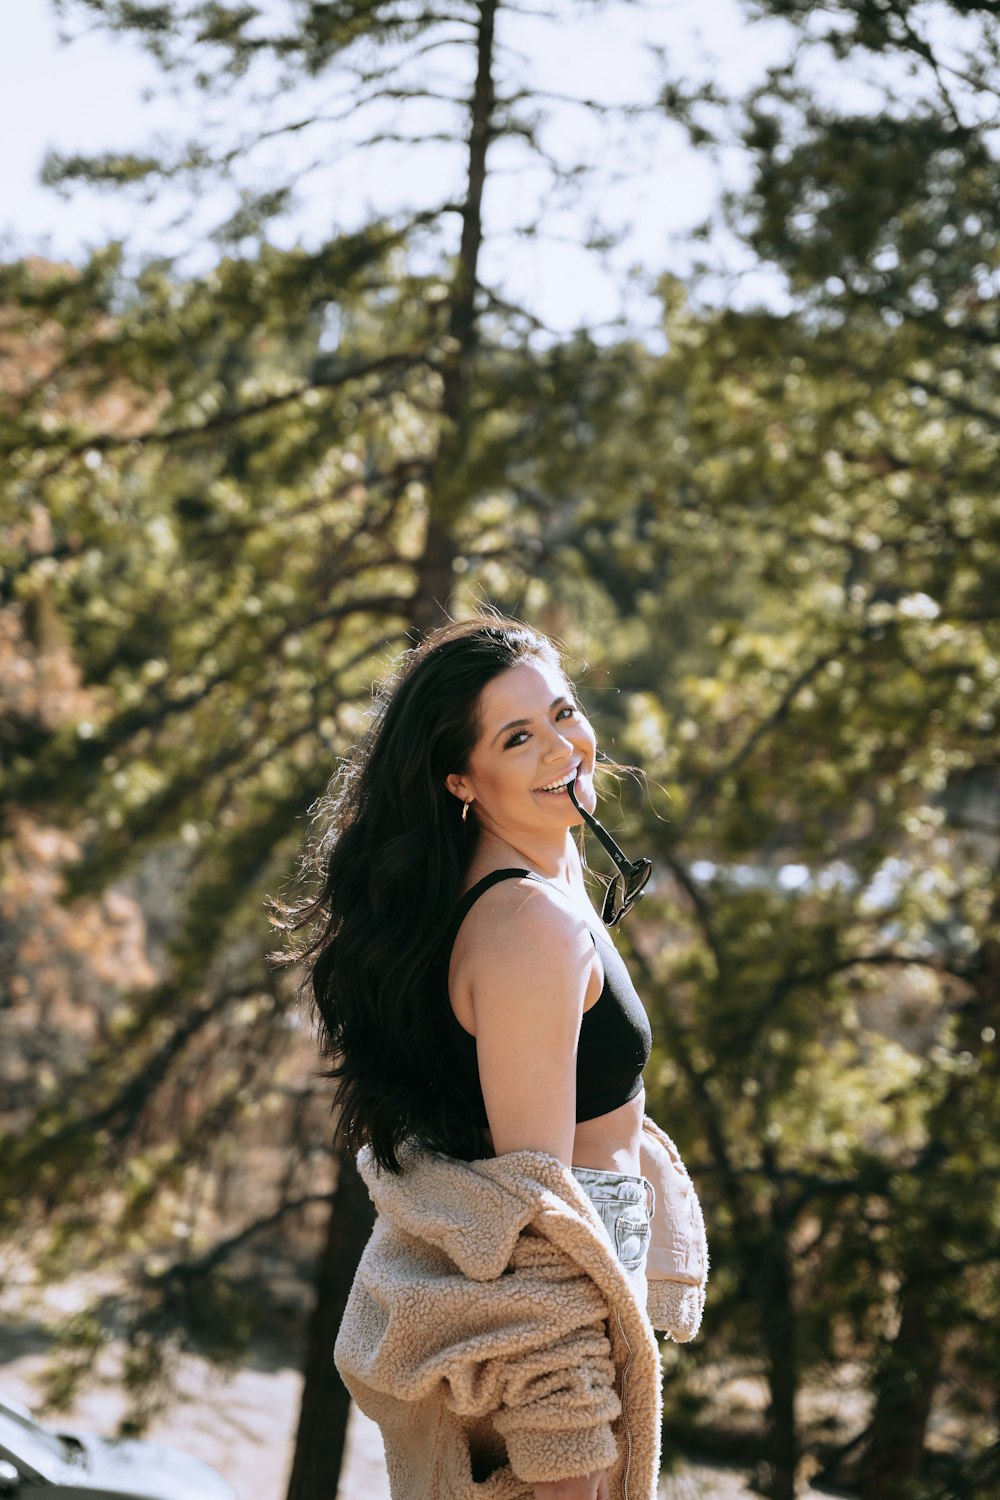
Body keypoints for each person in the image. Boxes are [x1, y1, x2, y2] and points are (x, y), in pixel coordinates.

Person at [279, 615, 707, 1500]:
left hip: (584, 1315)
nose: (564, 749)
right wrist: (572, 1462)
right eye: (519, 738)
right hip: (558, 1358)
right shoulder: (528, 929)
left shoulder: (517, 885)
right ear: (461, 779)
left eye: (562, 713)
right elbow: (538, 1224)